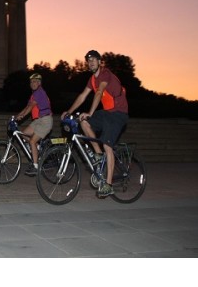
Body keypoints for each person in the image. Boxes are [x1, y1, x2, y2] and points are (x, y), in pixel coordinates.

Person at [61, 50, 128, 198]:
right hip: (107, 113)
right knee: (83, 122)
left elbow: (99, 93)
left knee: (107, 145)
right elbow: (82, 96)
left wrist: (90, 112)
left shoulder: (105, 74)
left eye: (94, 60)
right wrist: (69, 111)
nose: (91, 62)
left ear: (100, 62)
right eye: (88, 60)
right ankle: (98, 154)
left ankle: (108, 185)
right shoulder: (92, 79)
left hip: (118, 114)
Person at [15, 73, 53, 176]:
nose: (33, 83)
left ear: (39, 83)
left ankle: (35, 166)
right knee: (21, 134)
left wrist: (21, 117)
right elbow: (27, 106)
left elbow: (31, 107)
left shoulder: (40, 92)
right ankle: (37, 146)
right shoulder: (33, 94)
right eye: (31, 82)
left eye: (35, 81)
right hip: (37, 121)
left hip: (45, 121)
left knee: (31, 141)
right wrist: (17, 116)